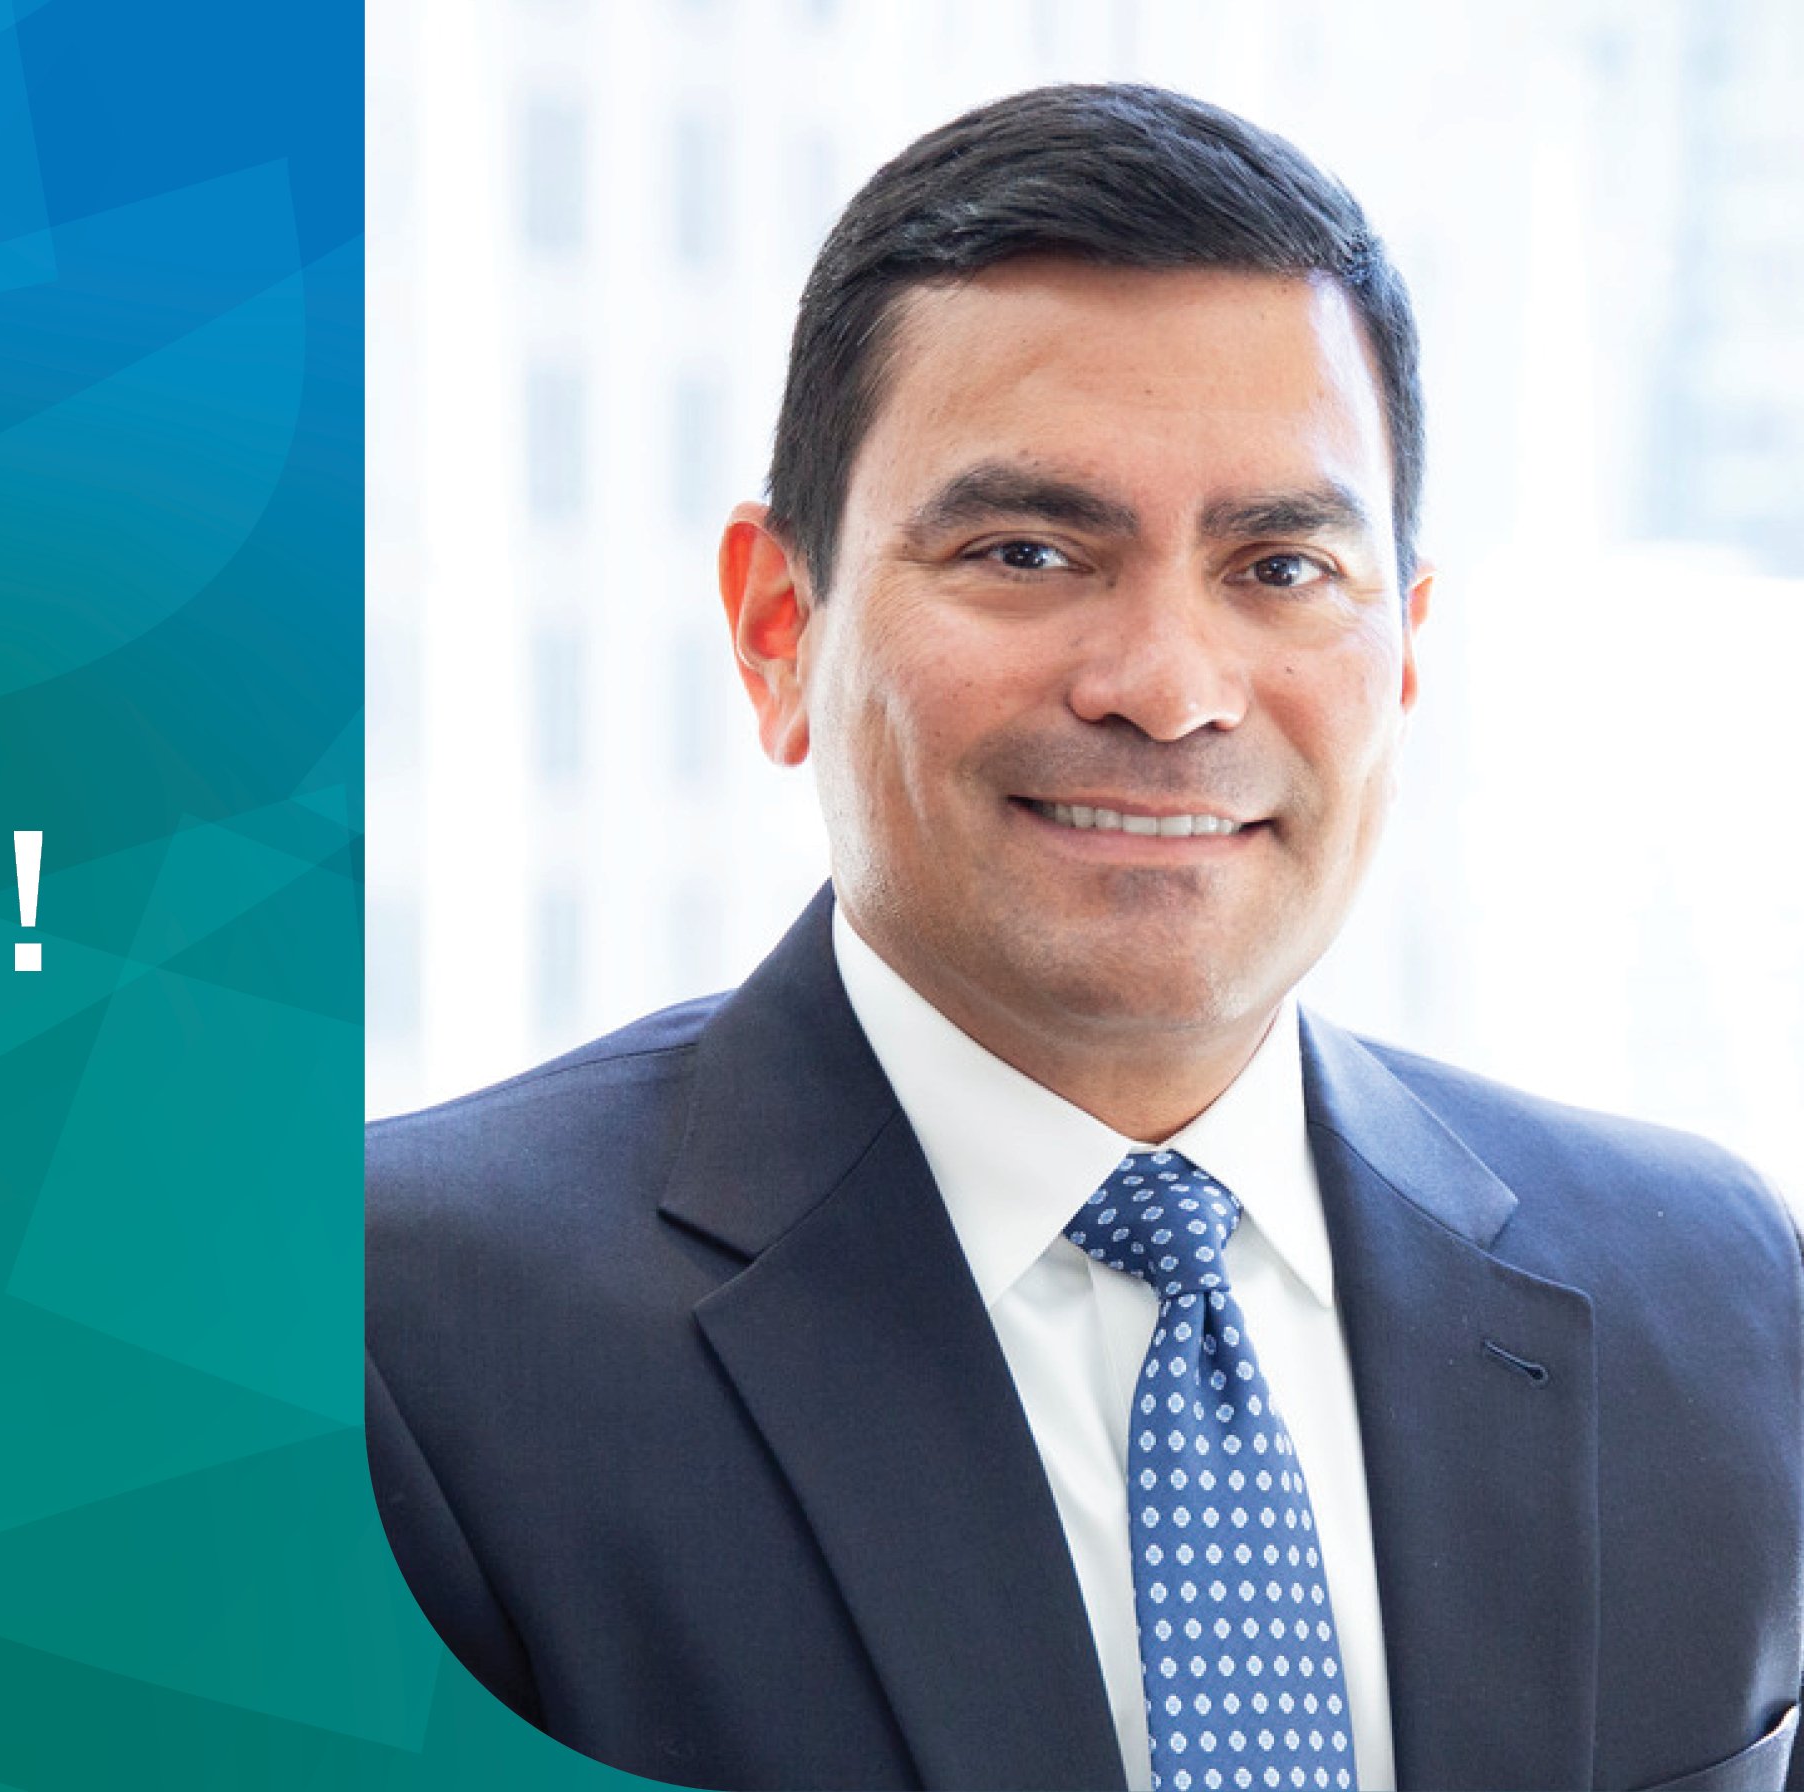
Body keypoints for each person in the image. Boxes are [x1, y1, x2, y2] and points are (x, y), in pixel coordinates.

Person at [365, 83, 1804, 1792]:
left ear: (1404, 654)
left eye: (1280, 569)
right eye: (1029, 550)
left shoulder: (1713, 1294)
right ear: (776, 630)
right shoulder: (383, 1336)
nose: (1172, 690)